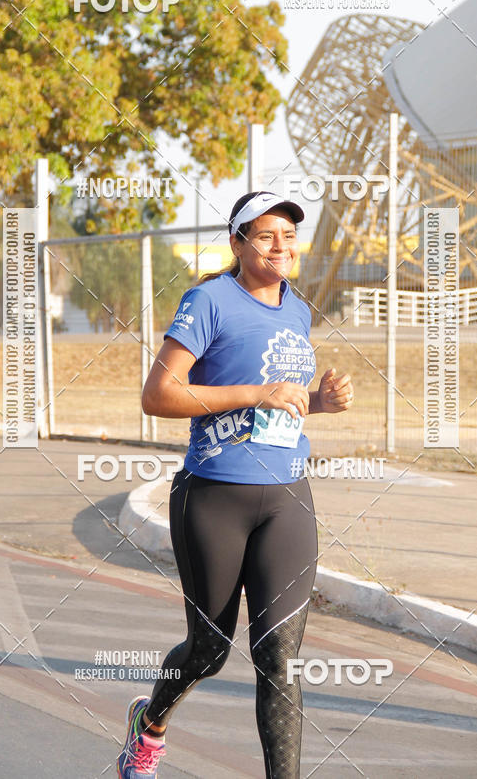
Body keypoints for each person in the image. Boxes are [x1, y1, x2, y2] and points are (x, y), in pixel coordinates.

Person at [117, 190, 354, 778]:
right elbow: (159, 396)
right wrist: (257, 392)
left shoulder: (297, 310)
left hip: (288, 499)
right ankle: (148, 727)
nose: (282, 246)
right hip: (214, 497)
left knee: (279, 657)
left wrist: (318, 403)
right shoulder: (209, 300)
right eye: (267, 235)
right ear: (238, 243)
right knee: (209, 650)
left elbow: (282, 403)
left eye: (290, 236)